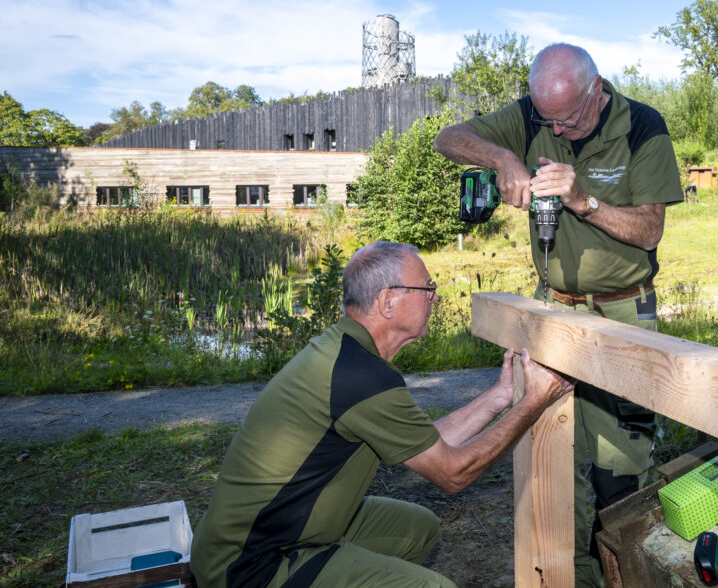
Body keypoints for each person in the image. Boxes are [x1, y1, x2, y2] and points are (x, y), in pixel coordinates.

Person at [434, 42, 686, 586]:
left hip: (623, 312)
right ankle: (568, 574)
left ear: (596, 90)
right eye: (548, 119)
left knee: (618, 466)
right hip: (554, 309)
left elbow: (649, 230)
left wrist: (582, 201)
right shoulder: (534, 114)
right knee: (554, 453)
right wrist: (503, 158)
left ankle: (621, 570)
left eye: (567, 118)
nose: (559, 130)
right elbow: (448, 139)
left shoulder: (642, 125)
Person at [190, 241, 575, 588]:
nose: (435, 298)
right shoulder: (359, 375)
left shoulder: (349, 352)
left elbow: (428, 445)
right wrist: (533, 402)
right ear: (389, 301)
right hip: (250, 566)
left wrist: (500, 397)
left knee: (417, 529)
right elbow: (453, 473)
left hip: (279, 533)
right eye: (428, 288)